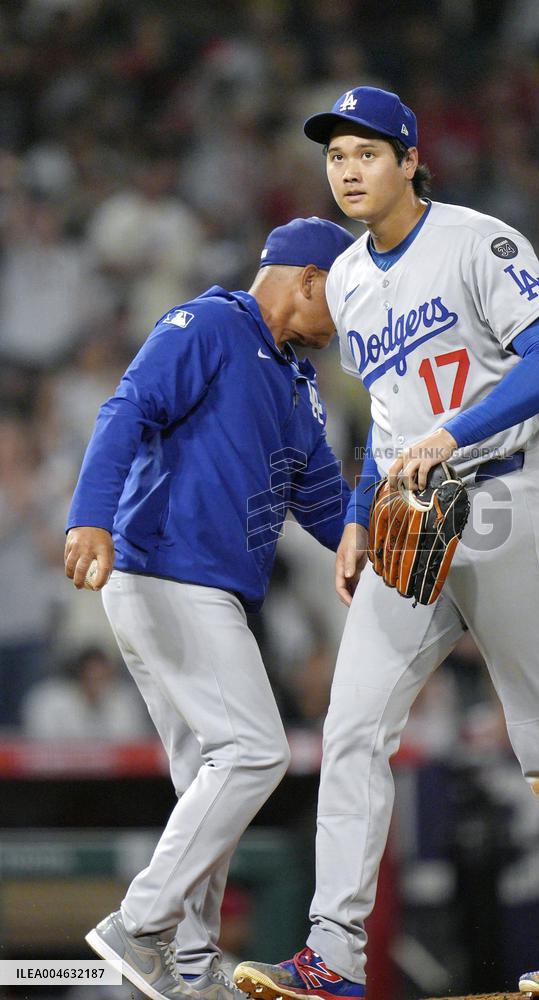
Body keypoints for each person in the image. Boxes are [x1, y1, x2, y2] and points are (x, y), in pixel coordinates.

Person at [234, 88, 539, 999]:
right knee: (351, 728)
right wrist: (356, 518)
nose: (347, 169)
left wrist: (452, 436)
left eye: (367, 152)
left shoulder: (477, 239)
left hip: (505, 499)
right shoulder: (344, 282)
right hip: (410, 520)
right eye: (335, 155)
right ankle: (333, 953)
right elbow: (387, 422)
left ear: (411, 160)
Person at [65, 217, 355, 1000]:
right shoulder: (211, 323)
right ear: (307, 279)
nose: (349, 318)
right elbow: (126, 408)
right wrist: (89, 514)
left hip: (201, 587)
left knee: (208, 772)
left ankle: (189, 966)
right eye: (346, 296)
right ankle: (141, 921)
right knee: (258, 752)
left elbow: (325, 499)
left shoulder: (297, 381)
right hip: (167, 571)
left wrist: (382, 544)